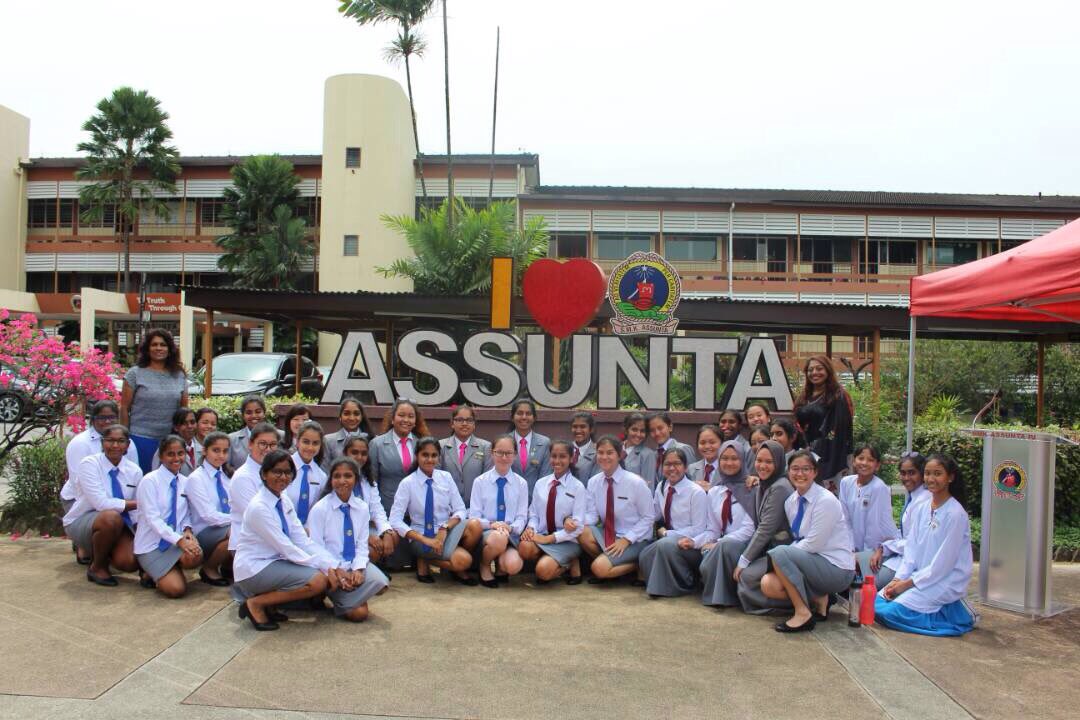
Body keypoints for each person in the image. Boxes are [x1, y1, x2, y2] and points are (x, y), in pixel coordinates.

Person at [230, 450, 335, 631]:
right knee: (317, 581)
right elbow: (286, 547)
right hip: (254, 568)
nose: (283, 477)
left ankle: (269, 605)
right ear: (264, 474)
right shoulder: (259, 507)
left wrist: (332, 564)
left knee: (321, 573)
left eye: (288, 472)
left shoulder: (283, 499)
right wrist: (323, 568)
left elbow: (301, 540)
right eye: (277, 472)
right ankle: (255, 604)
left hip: (274, 561)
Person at [876, 453, 977, 636]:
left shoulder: (955, 514)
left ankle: (956, 613)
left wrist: (907, 584)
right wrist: (898, 579)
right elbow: (911, 550)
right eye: (928, 473)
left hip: (943, 580)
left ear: (950, 477)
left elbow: (943, 565)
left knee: (890, 613)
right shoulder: (923, 507)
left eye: (937, 474)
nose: (931, 479)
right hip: (917, 577)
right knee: (876, 604)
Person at [761, 451, 857, 632]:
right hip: (811, 564)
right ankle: (820, 598)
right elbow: (799, 539)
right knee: (769, 584)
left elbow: (813, 544)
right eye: (795, 469)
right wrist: (788, 555)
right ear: (788, 472)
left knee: (780, 552)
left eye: (806, 469)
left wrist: (785, 555)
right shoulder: (791, 502)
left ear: (815, 472)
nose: (800, 474)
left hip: (836, 568)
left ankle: (803, 613)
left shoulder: (825, 500)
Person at [307, 457, 391, 622]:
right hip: (330, 568)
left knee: (382, 583)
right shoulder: (320, 509)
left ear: (356, 480)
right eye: (337, 476)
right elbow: (314, 547)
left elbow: (361, 544)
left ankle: (352, 591)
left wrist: (359, 569)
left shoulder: (361, 508)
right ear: (331, 480)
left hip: (353, 565)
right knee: (359, 615)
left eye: (348, 476)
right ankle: (335, 593)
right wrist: (338, 569)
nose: (342, 481)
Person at [389, 436, 480, 585]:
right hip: (421, 535)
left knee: (474, 525)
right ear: (417, 456)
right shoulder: (407, 483)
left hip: (445, 533)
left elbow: (460, 510)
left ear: (438, 457)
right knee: (463, 561)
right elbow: (395, 520)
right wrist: (425, 540)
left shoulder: (446, 477)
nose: (429, 459)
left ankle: (440, 555)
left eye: (434, 455)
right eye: (425, 455)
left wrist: (445, 528)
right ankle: (425, 557)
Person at [61, 399, 139, 564]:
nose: (107, 421)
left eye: (112, 417)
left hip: (117, 505)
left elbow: (132, 478)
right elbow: (79, 486)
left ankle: (108, 545)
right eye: (102, 418)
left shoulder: (129, 446)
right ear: (93, 419)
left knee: (129, 562)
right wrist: (136, 503)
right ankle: (91, 554)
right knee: (109, 519)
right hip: (81, 501)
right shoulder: (80, 445)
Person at [134, 435, 204, 598]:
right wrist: (179, 541)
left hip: (175, 540)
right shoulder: (149, 481)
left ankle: (172, 567)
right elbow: (153, 519)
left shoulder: (185, 482)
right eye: (170, 454)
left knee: (196, 555)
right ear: (161, 456)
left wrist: (187, 531)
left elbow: (186, 512)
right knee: (176, 590)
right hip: (152, 544)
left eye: (180, 453)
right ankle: (149, 570)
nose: (176, 458)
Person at [579, 436, 654, 583]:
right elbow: (593, 516)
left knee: (598, 569)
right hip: (609, 536)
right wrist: (574, 521)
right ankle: (611, 562)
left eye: (609, 453)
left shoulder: (635, 483)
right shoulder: (594, 482)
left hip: (636, 540)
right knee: (581, 530)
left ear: (619, 455)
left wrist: (627, 539)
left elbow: (649, 517)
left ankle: (638, 564)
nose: (604, 457)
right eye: (600, 453)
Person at [637, 447, 708, 598]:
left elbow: (699, 529)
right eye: (667, 464)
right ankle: (665, 582)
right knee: (645, 554)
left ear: (685, 467)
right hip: (671, 542)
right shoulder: (662, 487)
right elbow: (653, 514)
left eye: (677, 464)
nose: (672, 468)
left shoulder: (696, 492)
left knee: (665, 544)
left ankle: (685, 584)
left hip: (692, 545)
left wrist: (668, 533)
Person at [734, 440, 795, 614]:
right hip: (769, 549)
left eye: (769, 462)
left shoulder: (780, 487)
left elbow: (766, 528)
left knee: (746, 576)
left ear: (779, 463)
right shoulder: (764, 484)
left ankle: (798, 604)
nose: (762, 466)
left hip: (783, 550)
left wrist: (744, 560)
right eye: (759, 460)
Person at [519, 440, 587, 585]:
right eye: (553, 456)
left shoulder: (578, 487)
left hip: (566, 540)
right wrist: (531, 529)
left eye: (562, 456)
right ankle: (552, 558)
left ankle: (569, 563)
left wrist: (550, 539)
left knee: (543, 572)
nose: (557, 461)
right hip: (542, 535)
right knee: (524, 547)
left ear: (571, 458)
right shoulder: (541, 484)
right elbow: (534, 514)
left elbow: (579, 526)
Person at [121, 328, 188, 472]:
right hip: (140, 439)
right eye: (154, 344)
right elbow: (124, 408)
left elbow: (183, 413)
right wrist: (124, 438)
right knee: (141, 482)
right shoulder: (135, 374)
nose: (159, 348)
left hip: (170, 441)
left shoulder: (179, 375)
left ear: (170, 349)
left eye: (163, 345)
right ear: (147, 349)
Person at [468, 435, 529, 587]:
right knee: (498, 538)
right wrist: (492, 525)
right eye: (499, 452)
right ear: (492, 453)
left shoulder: (521, 483)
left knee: (514, 565)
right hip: (488, 535)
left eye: (508, 453)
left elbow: (522, 517)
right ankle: (484, 564)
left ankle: (502, 566)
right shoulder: (480, 482)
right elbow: (474, 516)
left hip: (510, 534)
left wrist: (511, 527)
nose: (503, 457)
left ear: (515, 455)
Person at [697, 453, 757, 607]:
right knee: (707, 557)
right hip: (722, 543)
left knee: (723, 548)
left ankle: (725, 597)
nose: (729, 463)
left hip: (745, 545)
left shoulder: (752, 488)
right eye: (724, 459)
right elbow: (713, 529)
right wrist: (694, 542)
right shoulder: (714, 491)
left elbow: (749, 530)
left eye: (734, 458)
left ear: (743, 461)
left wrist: (718, 543)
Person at [793, 355, 853, 489]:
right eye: (810, 370)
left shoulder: (838, 396)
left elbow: (838, 426)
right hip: (804, 452)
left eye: (819, 369)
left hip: (830, 452)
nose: (814, 373)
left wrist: (819, 449)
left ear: (828, 370)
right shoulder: (804, 397)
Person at [873, 451, 931, 589]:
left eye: (912, 473)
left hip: (911, 564)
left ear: (922, 474)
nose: (906, 478)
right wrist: (884, 547)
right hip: (900, 556)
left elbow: (915, 542)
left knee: (868, 581)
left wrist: (885, 547)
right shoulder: (914, 497)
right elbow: (904, 533)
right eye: (903, 473)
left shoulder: (925, 501)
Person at [839, 445, 898, 577]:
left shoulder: (879, 487)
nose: (864, 463)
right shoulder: (846, 482)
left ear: (877, 465)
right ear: (854, 461)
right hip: (851, 547)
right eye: (861, 458)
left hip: (876, 548)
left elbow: (875, 527)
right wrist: (849, 548)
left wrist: (862, 558)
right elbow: (844, 519)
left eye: (870, 460)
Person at [184, 431, 233, 586]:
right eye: (216, 450)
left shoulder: (226, 475)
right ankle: (209, 569)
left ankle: (228, 565)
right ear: (204, 451)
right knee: (237, 532)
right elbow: (208, 516)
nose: (221, 455)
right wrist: (239, 519)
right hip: (205, 531)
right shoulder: (196, 479)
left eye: (225, 451)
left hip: (225, 525)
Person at [343, 436, 398, 564]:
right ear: (345, 453)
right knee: (371, 550)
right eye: (354, 452)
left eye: (363, 454)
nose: (359, 457)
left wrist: (386, 531)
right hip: (344, 530)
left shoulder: (368, 480)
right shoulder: (339, 479)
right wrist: (366, 537)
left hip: (365, 527)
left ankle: (375, 567)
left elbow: (377, 510)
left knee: (393, 536)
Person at [227, 422, 281, 552]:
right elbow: (259, 519)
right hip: (250, 548)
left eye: (273, 445)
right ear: (250, 444)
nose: (268, 449)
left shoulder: (277, 474)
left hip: (275, 541)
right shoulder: (243, 478)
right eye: (262, 444)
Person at [438, 404, 493, 505]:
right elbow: (436, 480)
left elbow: (488, 482)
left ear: (474, 424)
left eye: (469, 420)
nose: (464, 423)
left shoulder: (486, 447)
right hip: (446, 507)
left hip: (476, 509)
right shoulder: (441, 446)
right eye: (459, 420)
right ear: (452, 423)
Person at [287, 421, 327, 528]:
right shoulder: (284, 467)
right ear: (297, 442)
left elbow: (317, 510)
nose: (310, 448)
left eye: (315, 443)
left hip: (307, 533)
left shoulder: (321, 476)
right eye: (306, 442)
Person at [509, 398, 552, 495]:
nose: (524, 417)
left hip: (535, 502)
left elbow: (545, 478)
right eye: (519, 413)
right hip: (509, 501)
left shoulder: (545, 443)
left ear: (534, 418)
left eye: (528, 414)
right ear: (512, 417)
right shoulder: (503, 442)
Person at [321, 397, 374, 470]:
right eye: (346, 413)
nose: (352, 418)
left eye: (356, 414)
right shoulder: (328, 440)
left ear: (362, 417)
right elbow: (325, 470)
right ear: (340, 417)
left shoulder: (372, 440)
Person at [228, 396, 277, 469]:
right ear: (243, 415)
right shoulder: (231, 439)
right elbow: (226, 468)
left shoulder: (280, 436)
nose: (254, 416)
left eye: (258, 412)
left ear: (264, 413)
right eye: (248, 412)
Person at [646, 411, 696, 481]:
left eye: (660, 428)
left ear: (670, 427)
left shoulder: (683, 449)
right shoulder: (654, 455)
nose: (657, 433)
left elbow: (693, 478)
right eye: (652, 430)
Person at [151, 408, 198, 475]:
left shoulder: (201, 447)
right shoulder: (165, 448)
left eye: (192, 422)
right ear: (176, 427)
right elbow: (156, 475)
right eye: (184, 423)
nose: (189, 426)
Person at [621, 412, 657, 489]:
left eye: (642, 431)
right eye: (634, 430)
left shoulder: (648, 454)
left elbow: (648, 487)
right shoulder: (615, 449)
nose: (638, 434)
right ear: (626, 430)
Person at [687, 424, 723, 492]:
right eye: (702, 443)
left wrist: (711, 488)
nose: (707, 446)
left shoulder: (728, 468)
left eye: (712, 442)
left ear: (722, 443)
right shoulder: (691, 469)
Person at [718, 409, 753, 473]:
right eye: (723, 422)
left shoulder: (748, 449)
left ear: (740, 425)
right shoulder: (717, 447)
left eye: (731, 422)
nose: (727, 426)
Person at [568, 411, 597, 483]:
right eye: (575, 426)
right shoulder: (565, 449)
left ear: (591, 429)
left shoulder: (598, 452)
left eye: (583, 426)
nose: (578, 430)